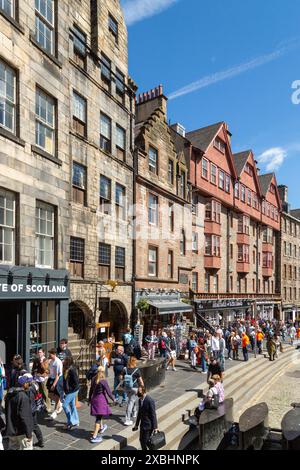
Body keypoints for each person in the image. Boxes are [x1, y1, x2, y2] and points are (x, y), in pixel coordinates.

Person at [5, 373, 34, 450]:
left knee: (13, 447)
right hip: (21, 431)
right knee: (27, 448)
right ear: (24, 384)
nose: (30, 385)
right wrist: (29, 434)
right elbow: (25, 417)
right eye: (28, 383)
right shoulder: (23, 397)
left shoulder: (9, 394)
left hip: (11, 429)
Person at [89, 366, 115, 444]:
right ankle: (94, 436)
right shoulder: (103, 381)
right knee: (98, 418)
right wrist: (114, 399)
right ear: (103, 372)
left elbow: (91, 390)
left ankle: (102, 427)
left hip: (94, 399)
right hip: (100, 401)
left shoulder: (94, 378)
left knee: (98, 415)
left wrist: (89, 399)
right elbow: (109, 392)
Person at [132, 385, 158, 451]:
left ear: (143, 392)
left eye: (139, 391)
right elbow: (139, 413)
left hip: (149, 426)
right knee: (141, 440)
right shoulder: (140, 400)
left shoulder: (150, 400)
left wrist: (155, 427)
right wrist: (136, 425)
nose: (137, 392)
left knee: (146, 441)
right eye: (138, 391)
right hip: (142, 425)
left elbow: (153, 414)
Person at [122, 356, 144, 426]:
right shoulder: (137, 370)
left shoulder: (125, 369)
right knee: (130, 403)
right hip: (134, 388)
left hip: (126, 388)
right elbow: (141, 381)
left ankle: (134, 412)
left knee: (132, 399)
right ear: (134, 362)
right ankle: (127, 420)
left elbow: (120, 378)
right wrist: (142, 387)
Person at [62, 356, 80, 430]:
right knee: (72, 405)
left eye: (65, 360)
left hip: (72, 391)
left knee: (65, 405)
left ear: (68, 361)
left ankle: (71, 421)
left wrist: (69, 390)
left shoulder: (72, 369)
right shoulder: (66, 368)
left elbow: (76, 382)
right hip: (69, 390)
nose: (63, 361)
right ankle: (76, 420)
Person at [31, 348, 51, 414]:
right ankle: (42, 405)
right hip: (37, 378)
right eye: (38, 352)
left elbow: (46, 370)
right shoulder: (36, 360)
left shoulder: (45, 360)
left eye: (40, 352)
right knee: (39, 393)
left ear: (43, 353)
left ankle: (48, 407)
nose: (39, 353)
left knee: (45, 393)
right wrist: (33, 375)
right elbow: (34, 368)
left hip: (43, 378)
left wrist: (41, 362)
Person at [28, 377, 44, 448]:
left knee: (28, 426)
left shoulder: (29, 389)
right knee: (35, 426)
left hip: (29, 410)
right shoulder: (34, 386)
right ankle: (41, 441)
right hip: (34, 409)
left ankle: (29, 444)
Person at [47, 348, 63, 420]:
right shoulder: (51, 361)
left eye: (50, 353)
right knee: (49, 395)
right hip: (51, 378)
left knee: (57, 396)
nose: (49, 355)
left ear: (53, 354)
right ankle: (60, 403)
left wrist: (54, 384)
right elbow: (50, 371)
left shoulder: (58, 362)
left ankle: (55, 413)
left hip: (57, 380)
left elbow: (58, 375)